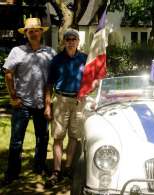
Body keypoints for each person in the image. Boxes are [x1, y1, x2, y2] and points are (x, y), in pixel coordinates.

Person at [2, 18, 56, 185]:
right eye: (30, 30)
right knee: (17, 140)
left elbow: (51, 79)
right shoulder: (17, 51)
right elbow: (8, 74)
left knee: (43, 138)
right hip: (22, 104)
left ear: (41, 32)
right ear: (25, 33)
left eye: (36, 30)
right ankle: (12, 172)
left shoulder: (50, 53)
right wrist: (13, 97)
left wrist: (48, 104)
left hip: (41, 103)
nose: (34, 33)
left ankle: (39, 167)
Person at [44, 28, 88, 187]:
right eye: (68, 39)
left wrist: (90, 89)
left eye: (73, 39)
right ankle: (56, 171)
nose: (70, 42)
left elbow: (92, 79)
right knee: (58, 137)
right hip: (61, 100)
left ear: (78, 41)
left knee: (75, 136)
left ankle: (68, 167)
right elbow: (48, 84)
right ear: (64, 41)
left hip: (78, 102)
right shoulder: (56, 60)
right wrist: (48, 106)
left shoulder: (85, 58)